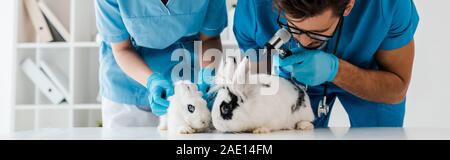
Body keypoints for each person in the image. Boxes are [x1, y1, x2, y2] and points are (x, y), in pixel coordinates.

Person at [233, 0, 419, 127]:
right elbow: (256, 66)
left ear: (348, 6)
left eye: (317, 33)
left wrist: (336, 71)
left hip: (370, 76)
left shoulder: (388, 5)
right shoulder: (252, 7)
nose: (304, 43)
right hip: (294, 81)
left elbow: (397, 88)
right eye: (293, 27)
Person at [95, 0, 227, 128]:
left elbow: (210, 38)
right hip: (127, 88)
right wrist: (151, 81)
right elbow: (122, 48)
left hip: (187, 87)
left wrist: (207, 74)